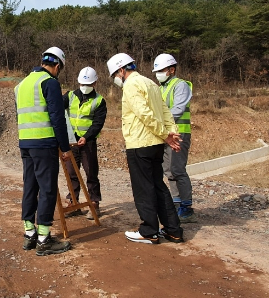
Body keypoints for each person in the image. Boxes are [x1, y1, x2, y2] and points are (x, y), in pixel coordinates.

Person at [106, 52, 184, 245]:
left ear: (122, 70)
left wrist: (166, 135)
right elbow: (165, 111)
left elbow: (145, 114)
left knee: (143, 189)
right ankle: (173, 230)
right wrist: (169, 133)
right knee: (158, 186)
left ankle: (149, 231)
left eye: (115, 74)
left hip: (140, 143)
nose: (116, 79)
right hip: (156, 143)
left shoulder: (131, 85)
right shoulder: (150, 83)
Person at [15, 46, 73, 256]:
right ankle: (44, 239)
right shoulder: (49, 83)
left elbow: (19, 116)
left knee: (30, 186)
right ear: (57, 66)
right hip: (44, 144)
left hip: (26, 143)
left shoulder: (20, 86)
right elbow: (57, 118)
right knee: (47, 189)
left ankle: (29, 234)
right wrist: (65, 147)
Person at [152, 53, 196, 223]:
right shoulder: (160, 88)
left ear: (171, 69)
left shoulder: (181, 85)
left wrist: (159, 122)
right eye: (156, 71)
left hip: (179, 134)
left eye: (161, 70)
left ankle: (187, 207)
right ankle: (177, 203)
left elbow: (177, 109)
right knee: (168, 170)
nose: (158, 74)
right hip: (165, 134)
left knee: (177, 169)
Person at [62, 66, 107, 220]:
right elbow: (58, 110)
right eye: (82, 84)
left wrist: (87, 137)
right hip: (71, 141)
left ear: (95, 83)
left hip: (88, 142)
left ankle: (94, 203)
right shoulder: (70, 96)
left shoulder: (99, 101)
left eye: (88, 85)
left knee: (91, 172)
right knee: (71, 172)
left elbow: (97, 123)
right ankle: (73, 202)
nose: (85, 87)